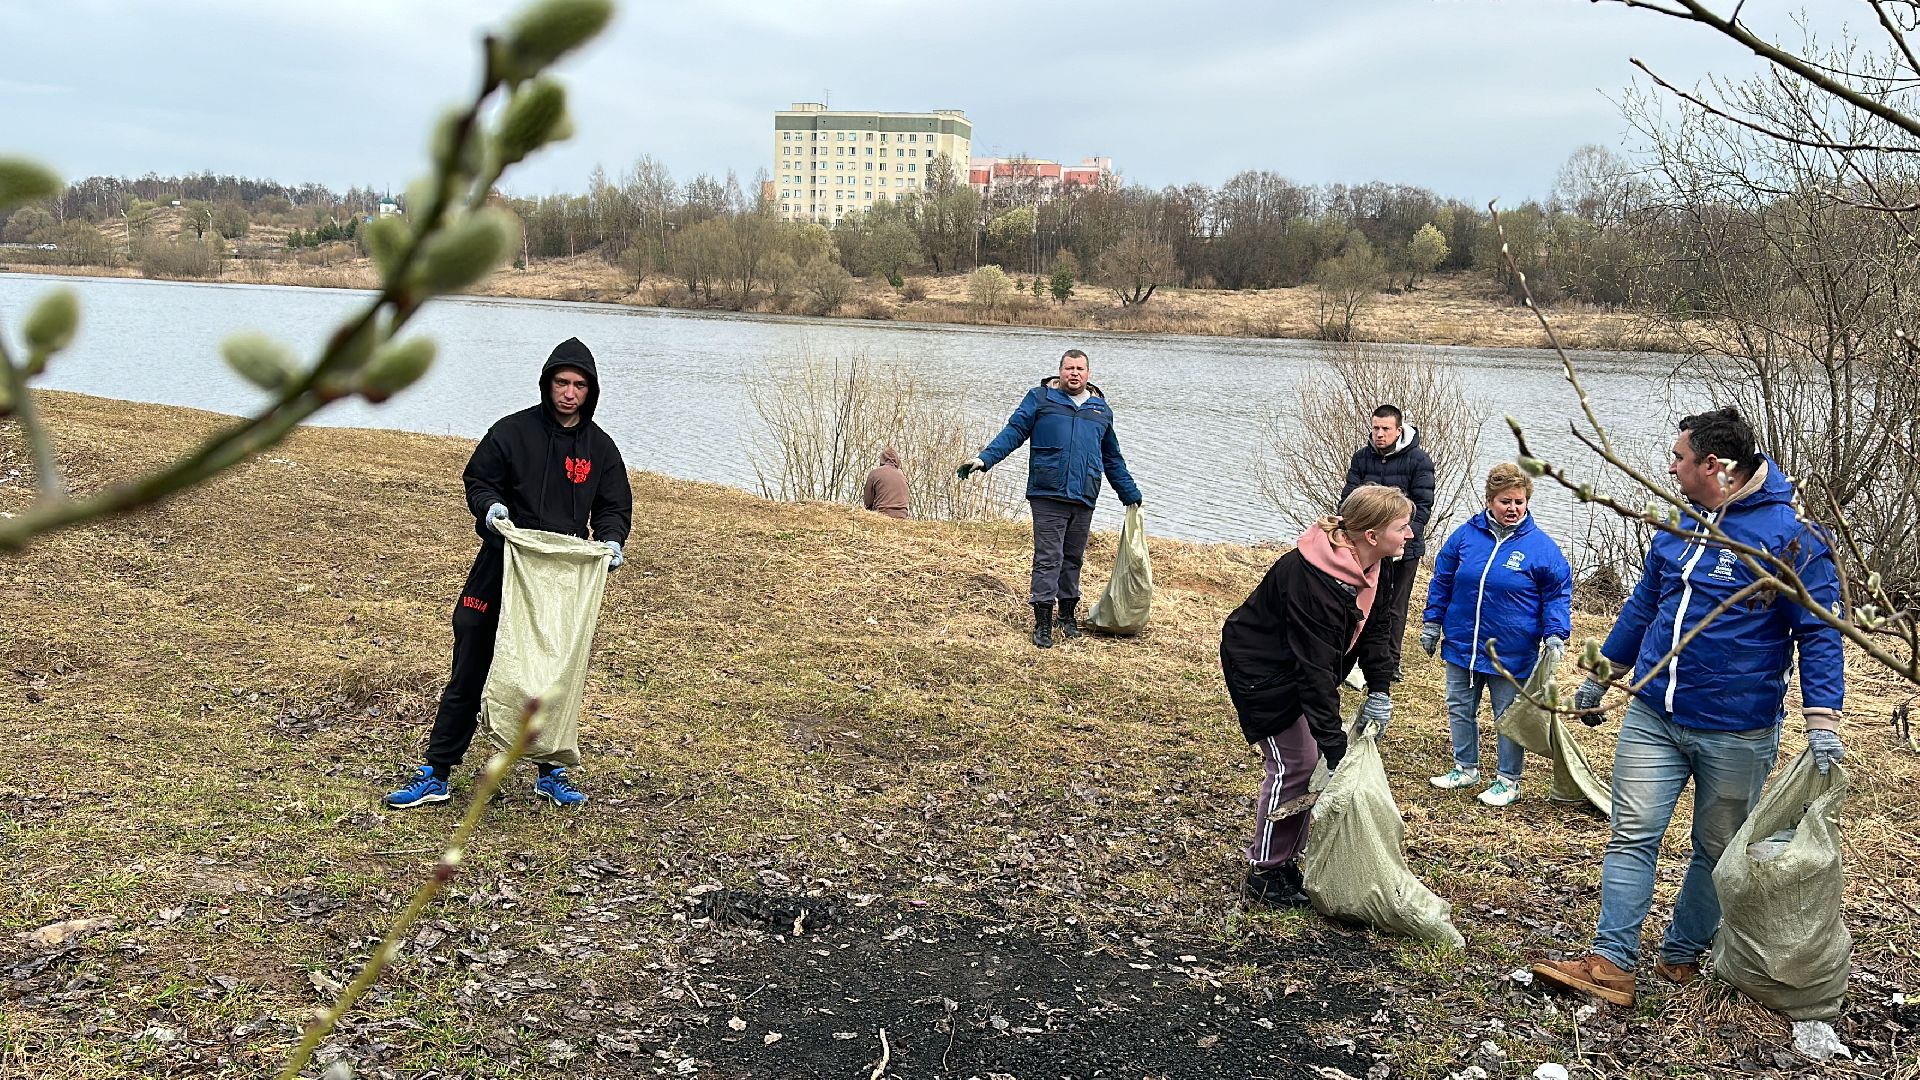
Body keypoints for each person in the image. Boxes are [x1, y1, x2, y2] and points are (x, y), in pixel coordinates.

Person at [1532, 407, 1846, 1007]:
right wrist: (1604, 675)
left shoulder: (1792, 537)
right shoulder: (1680, 519)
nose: (1671, 467)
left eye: (1679, 458)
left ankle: (1684, 951)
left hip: (1737, 728)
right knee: (1632, 834)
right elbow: (1645, 603)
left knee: (1716, 849)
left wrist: (1822, 719)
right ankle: (1612, 962)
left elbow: (1819, 631)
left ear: (1714, 465)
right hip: (1653, 714)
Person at [386, 337, 633, 811]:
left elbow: (614, 506)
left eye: (579, 385)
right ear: (547, 383)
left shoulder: (600, 449)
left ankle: (550, 771)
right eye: (561, 382)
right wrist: (491, 507)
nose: (569, 393)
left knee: (550, 672)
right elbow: (479, 479)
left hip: (557, 579)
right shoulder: (512, 432)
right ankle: (436, 772)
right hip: (501, 564)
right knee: (470, 660)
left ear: (591, 390)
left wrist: (611, 539)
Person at [1220, 485, 1413, 909]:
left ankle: (1285, 860)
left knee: (1310, 764)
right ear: (1371, 535)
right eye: (1402, 527)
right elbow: (1314, 668)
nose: (1410, 534)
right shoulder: (1311, 578)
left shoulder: (1378, 566)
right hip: (1262, 670)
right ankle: (1265, 872)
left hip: (1300, 667)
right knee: (1294, 764)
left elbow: (1378, 629)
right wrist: (1334, 743)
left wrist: (1380, 689)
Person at [959, 349, 1142, 648]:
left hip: (1084, 494)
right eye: (1069, 368)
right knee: (1048, 557)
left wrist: (1129, 493)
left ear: (1088, 373)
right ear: (1060, 371)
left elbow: (1112, 457)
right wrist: (984, 459)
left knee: (1073, 558)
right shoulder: (1040, 399)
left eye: (1080, 368)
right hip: (1048, 492)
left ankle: (1066, 616)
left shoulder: (1100, 410)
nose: (1074, 373)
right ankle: (1043, 622)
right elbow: (1014, 431)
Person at [1420, 462, 1573, 807]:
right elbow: (1442, 580)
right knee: (1460, 707)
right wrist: (1432, 622)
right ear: (1490, 500)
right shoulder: (1465, 536)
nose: (1513, 508)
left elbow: (1557, 595)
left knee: (1507, 716)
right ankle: (1465, 768)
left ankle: (1508, 780)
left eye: (1519, 501)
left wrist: (1555, 634)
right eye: (1505, 501)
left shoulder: (1541, 548)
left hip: (1511, 652)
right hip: (1463, 644)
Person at [1341, 405, 1435, 680]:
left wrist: (1403, 536)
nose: (1379, 434)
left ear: (1399, 430)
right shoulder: (1361, 458)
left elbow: (1423, 507)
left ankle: (1390, 663)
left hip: (1405, 548)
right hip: (1367, 546)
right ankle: (1349, 656)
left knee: (1394, 607)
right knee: (1358, 600)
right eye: (1375, 428)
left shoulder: (1419, 460)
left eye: (1385, 429)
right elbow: (1348, 500)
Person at [862, 445, 910, 520]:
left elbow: (867, 502)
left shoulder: (874, 473)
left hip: (882, 515)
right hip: (902, 517)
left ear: (882, 459)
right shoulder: (903, 476)